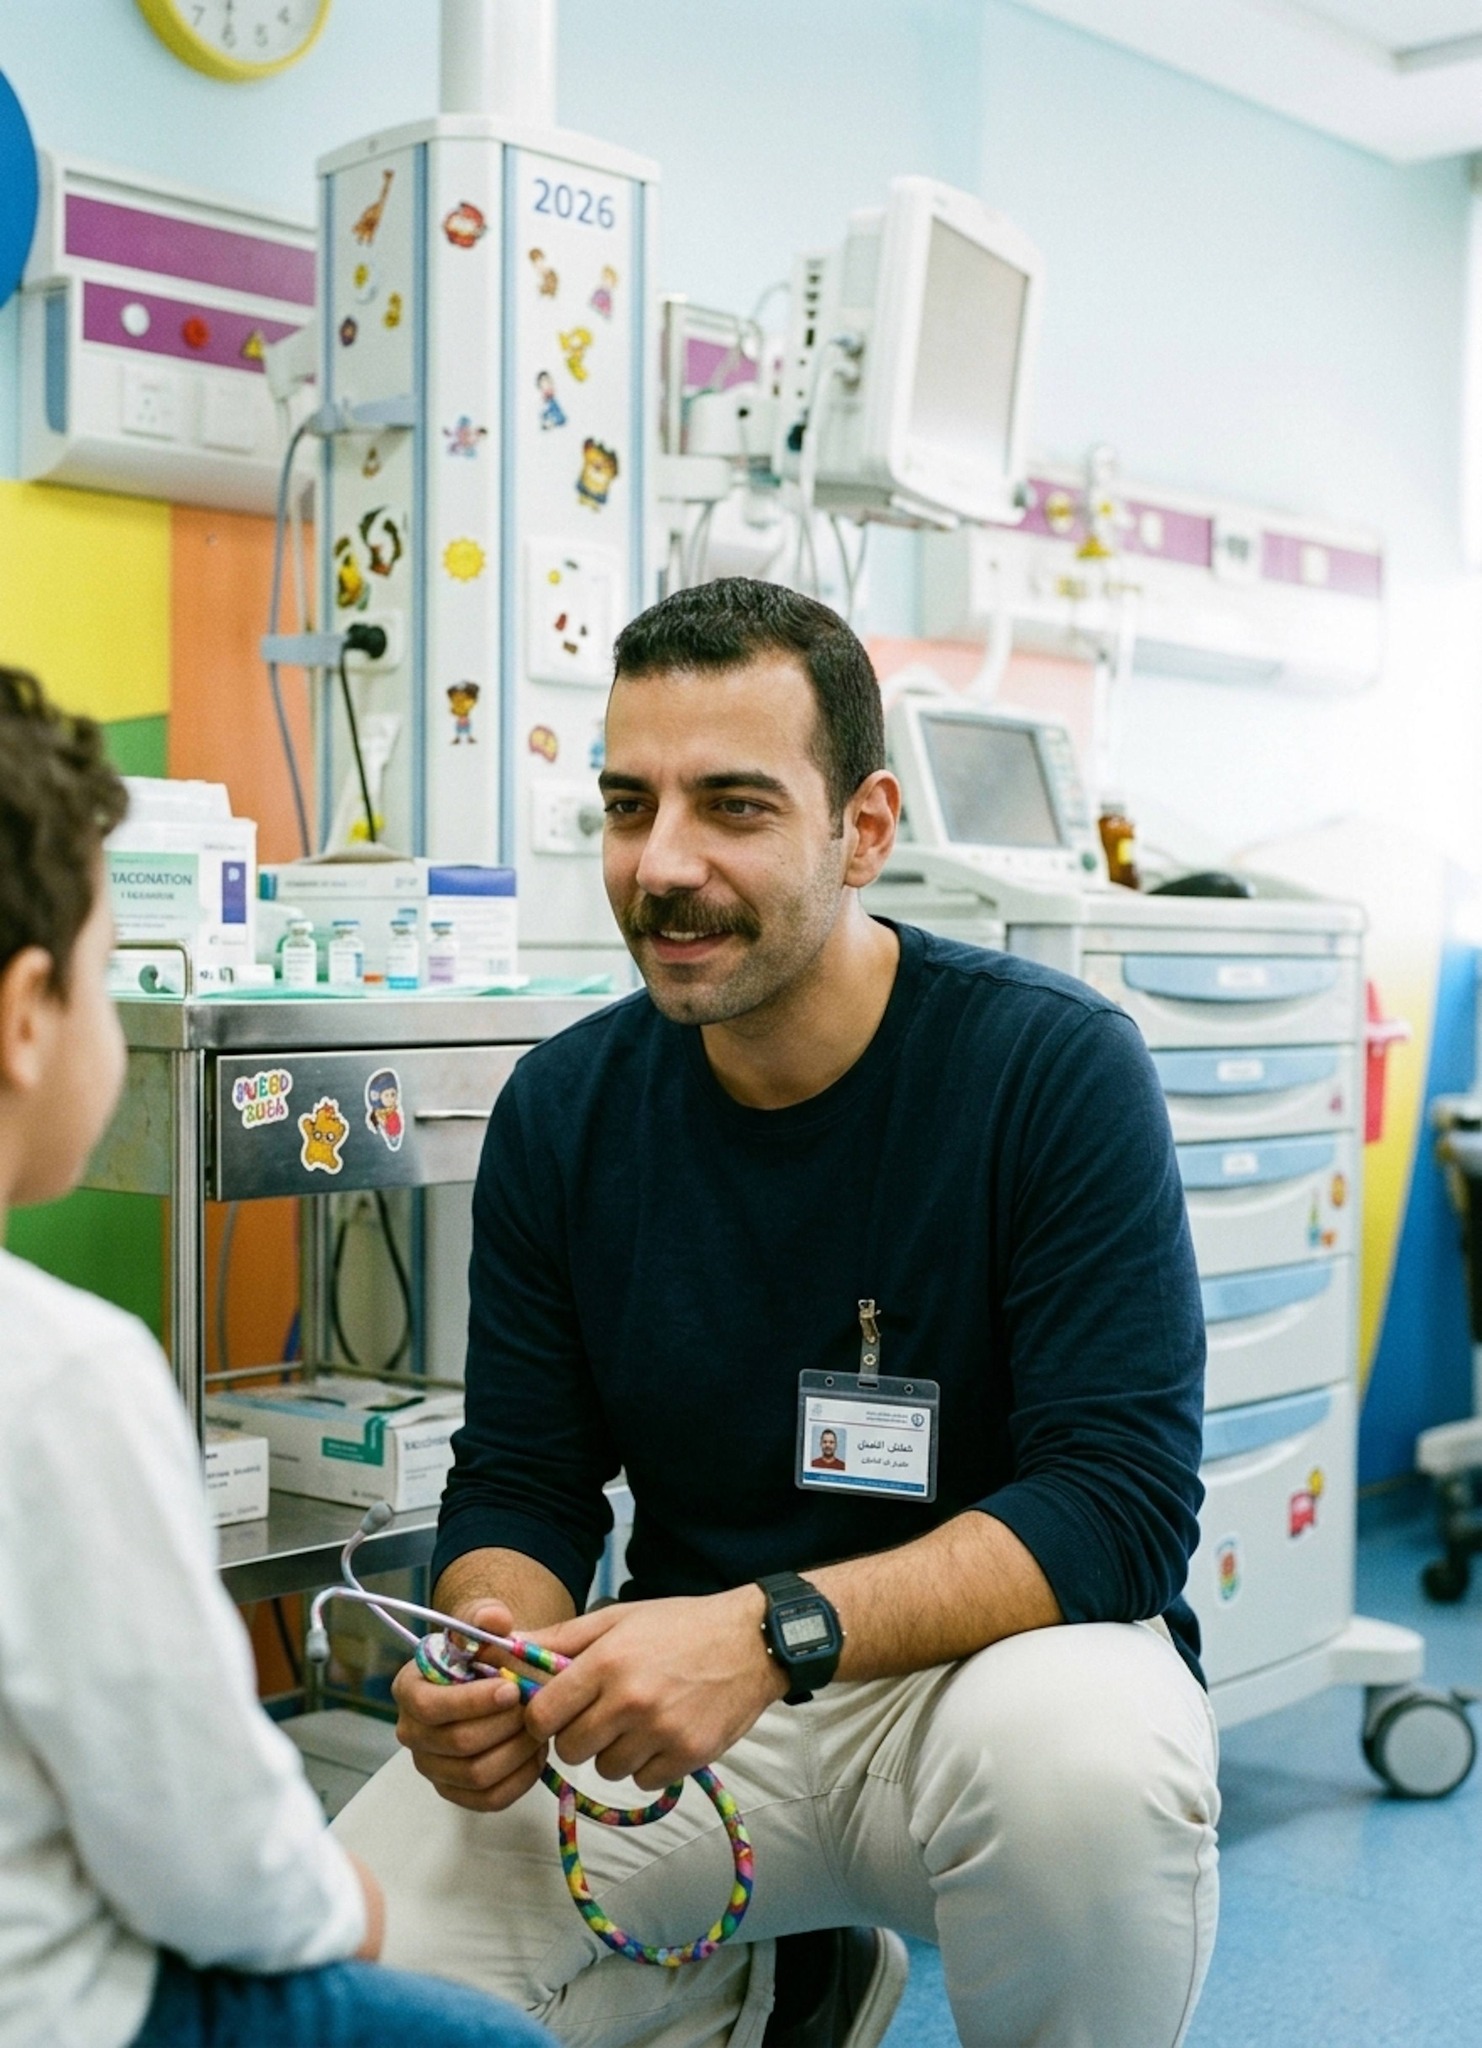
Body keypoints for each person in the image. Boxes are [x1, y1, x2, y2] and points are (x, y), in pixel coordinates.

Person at [335, 580, 1220, 2048]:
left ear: (861, 829)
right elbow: (526, 1479)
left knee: (1088, 1768)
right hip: (685, 1706)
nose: (661, 866)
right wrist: (487, 1648)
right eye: (629, 806)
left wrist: (769, 1630)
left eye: (731, 807)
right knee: (340, 1977)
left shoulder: (1047, 1074)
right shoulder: (565, 1114)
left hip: (983, 1690)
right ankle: (779, 1978)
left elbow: (1118, 1502)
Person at [0, 666, 558, 2048]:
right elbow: (206, 1851)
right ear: (26, 1015)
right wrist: (346, 1909)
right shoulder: (57, 1373)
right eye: (106, 956)